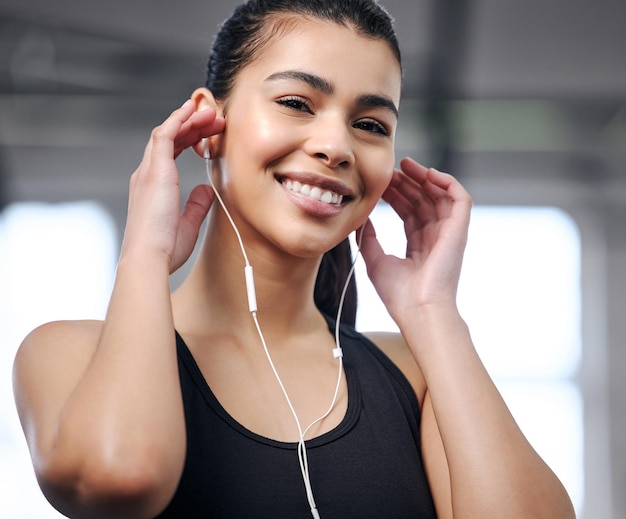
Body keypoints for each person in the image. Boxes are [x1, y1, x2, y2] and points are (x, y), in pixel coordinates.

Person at [12, 0, 576, 518]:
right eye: (295, 103)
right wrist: (145, 253)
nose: (336, 145)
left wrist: (433, 312)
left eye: (370, 124)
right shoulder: (68, 353)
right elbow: (122, 476)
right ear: (207, 125)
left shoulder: (416, 373)